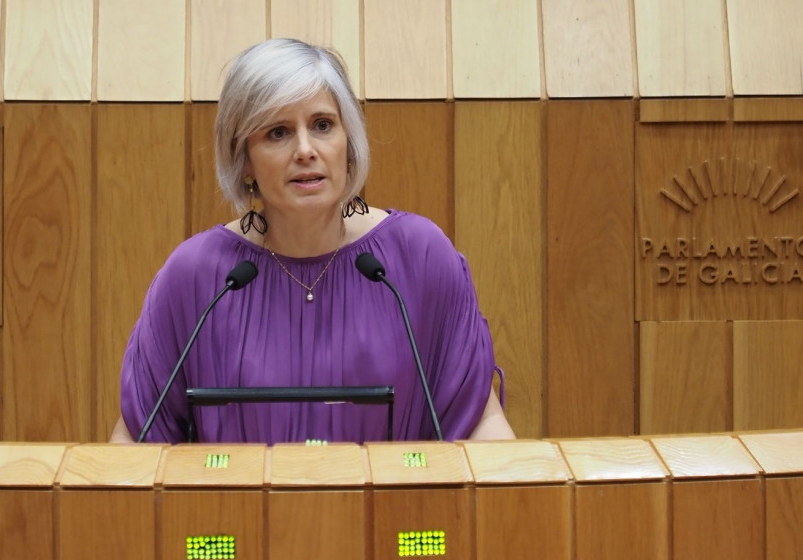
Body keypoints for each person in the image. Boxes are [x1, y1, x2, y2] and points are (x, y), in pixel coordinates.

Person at [111, 38, 514, 444]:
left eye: (322, 125)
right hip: (235, 510)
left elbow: (481, 425)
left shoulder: (418, 258)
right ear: (245, 160)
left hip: (397, 509)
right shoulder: (197, 277)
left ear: (348, 143)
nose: (306, 150)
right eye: (278, 132)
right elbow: (136, 445)